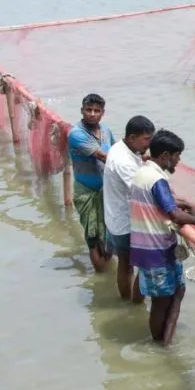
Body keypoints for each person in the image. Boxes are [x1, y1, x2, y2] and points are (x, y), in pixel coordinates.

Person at [129, 129, 195, 346]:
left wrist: (184, 205)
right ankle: (159, 345)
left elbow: (163, 202)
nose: (178, 161)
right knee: (160, 301)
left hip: (146, 246)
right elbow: (175, 215)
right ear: (165, 156)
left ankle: (165, 343)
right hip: (156, 249)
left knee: (177, 290)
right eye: (177, 156)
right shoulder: (157, 179)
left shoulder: (143, 172)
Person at [103, 115, 155, 303]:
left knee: (126, 263)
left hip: (116, 216)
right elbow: (144, 192)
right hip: (124, 222)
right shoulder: (122, 161)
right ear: (132, 137)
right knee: (132, 264)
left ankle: (128, 302)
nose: (149, 144)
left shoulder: (121, 147)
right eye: (146, 139)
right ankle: (132, 304)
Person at [68, 93, 117, 272]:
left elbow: (116, 151)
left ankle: (105, 274)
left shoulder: (106, 131)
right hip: (86, 192)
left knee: (110, 233)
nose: (92, 114)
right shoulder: (76, 134)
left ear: (103, 113)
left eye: (97, 111)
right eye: (88, 110)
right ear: (82, 110)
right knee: (93, 237)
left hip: (107, 191)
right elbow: (103, 156)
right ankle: (100, 275)